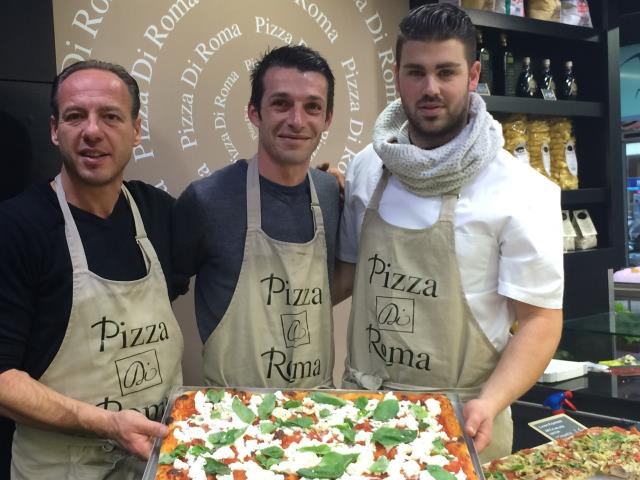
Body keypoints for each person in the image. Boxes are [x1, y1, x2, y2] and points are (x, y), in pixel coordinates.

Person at [334, 3, 563, 462]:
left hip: (465, 421)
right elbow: (344, 275)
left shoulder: (521, 190)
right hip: (363, 416)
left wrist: (490, 402)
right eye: (416, 72)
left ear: (474, 75)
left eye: (446, 72)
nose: (430, 88)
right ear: (396, 75)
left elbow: (540, 321)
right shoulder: (365, 170)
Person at [0, 60, 184, 479]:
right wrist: (107, 424)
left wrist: (326, 183)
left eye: (111, 116)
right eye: (75, 116)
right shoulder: (16, 228)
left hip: (154, 463)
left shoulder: (161, 216)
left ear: (136, 131)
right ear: (54, 129)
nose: (92, 131)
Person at [172, 45, 340, 388]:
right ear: (254, 112)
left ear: (327, 118)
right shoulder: (206, 200)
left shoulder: (331, 195)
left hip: (321, 417)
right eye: (281, 104)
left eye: (312, 107)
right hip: (233, 420)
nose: (296, 120)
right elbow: (158, 296)